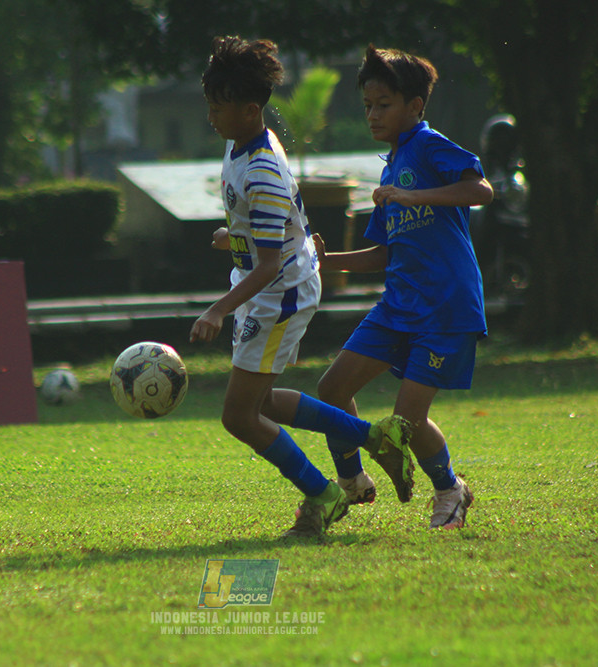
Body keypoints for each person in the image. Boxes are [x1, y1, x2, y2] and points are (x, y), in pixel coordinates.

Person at [189, 36, 412, 538]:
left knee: (237, 416)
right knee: (261, 405)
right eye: (209, 105)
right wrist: (237, 236)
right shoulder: (241, 143)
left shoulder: (263, 169)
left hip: (277, 292)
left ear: (250, 110)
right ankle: (375, 438)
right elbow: (271, 235)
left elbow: (269, 266)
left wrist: (217, 311)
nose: (211, 118)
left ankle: (324, 492)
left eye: (218, 108)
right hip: (271, 283)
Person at [313, 45, 493, 530]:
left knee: (405, 425)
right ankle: (353, 482)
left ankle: (451, 490)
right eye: (368, 105)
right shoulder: (391, 166)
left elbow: (481, 190)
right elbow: (383, 254)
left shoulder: (429, 146)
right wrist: (323, 262)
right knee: (331, 391)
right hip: (397, 306)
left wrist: (415, 194)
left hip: (445, 308)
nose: (373, 114)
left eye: (384, 105)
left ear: (415, 105)